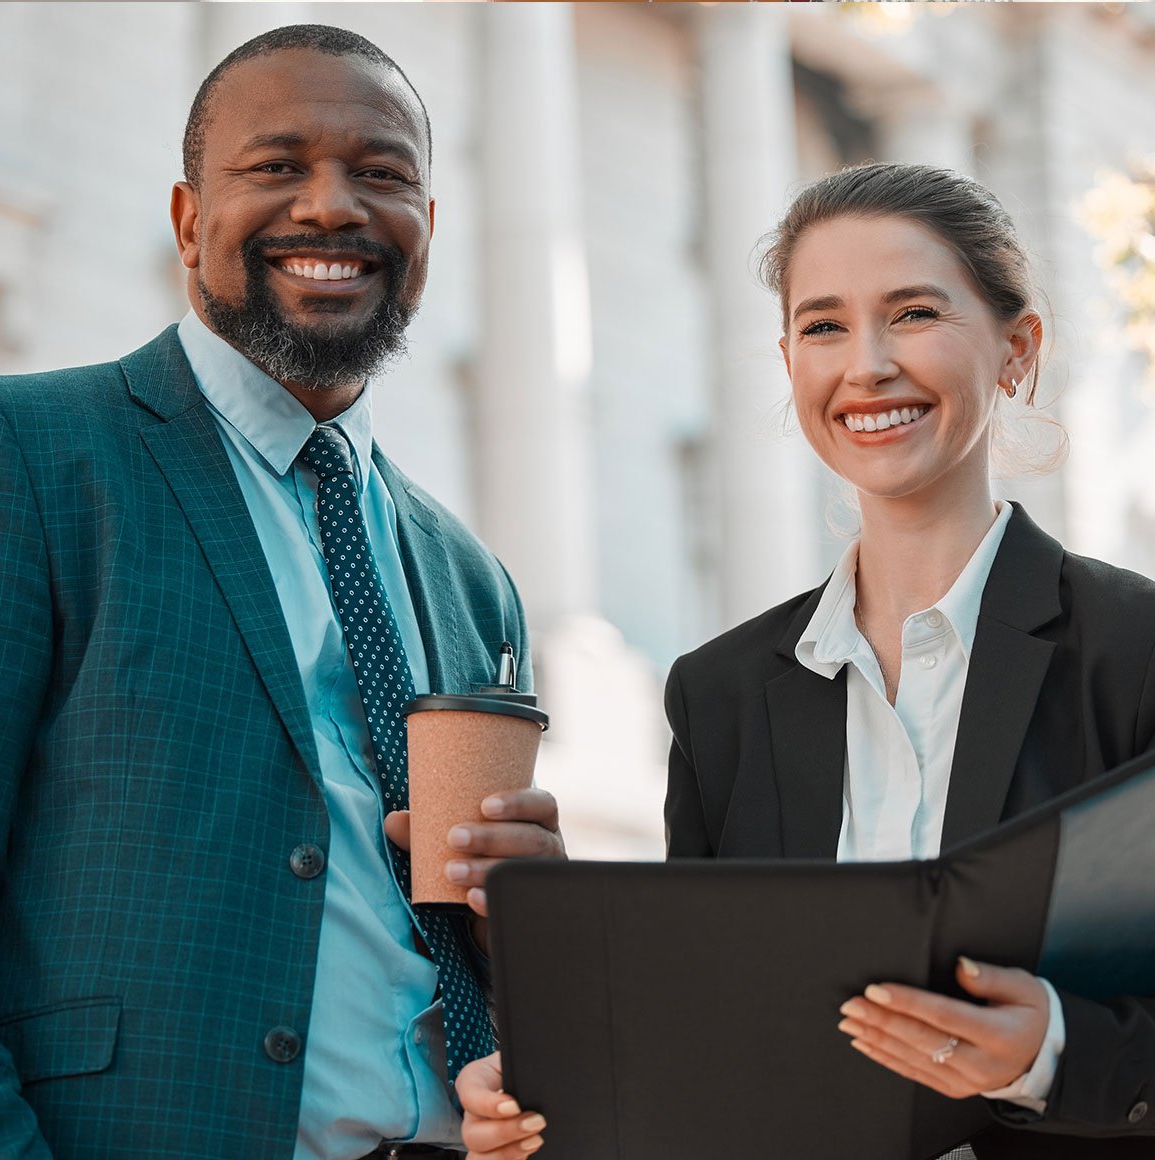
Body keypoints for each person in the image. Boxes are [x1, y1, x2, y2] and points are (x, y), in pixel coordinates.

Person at [459, 164, 1155, 1160]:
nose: (864, 364)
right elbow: (707, 1032)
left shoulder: (1130, 655)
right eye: (823, 326)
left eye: (911, 312)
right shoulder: (719, 695)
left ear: (1016, 348)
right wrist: (544, 1081)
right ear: (788, 358)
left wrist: (1048, 1048)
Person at [0, 24, 564, 1160]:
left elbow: (422, 933)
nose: (331, 205)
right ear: (189, 220)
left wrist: (529, 931)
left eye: (382, 174)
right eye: (275, 166)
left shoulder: (471, 576)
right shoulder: (27, 457)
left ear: (429, 231)